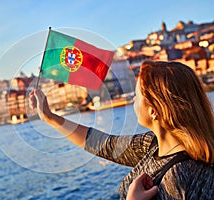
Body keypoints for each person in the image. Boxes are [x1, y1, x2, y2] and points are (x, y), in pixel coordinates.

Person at [29, 60, 214, 199]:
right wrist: (50, 117)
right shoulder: (153, 145)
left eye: (136, 95)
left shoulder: (181, 178)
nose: (133, 100)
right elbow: (103, 144)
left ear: (154, 111)